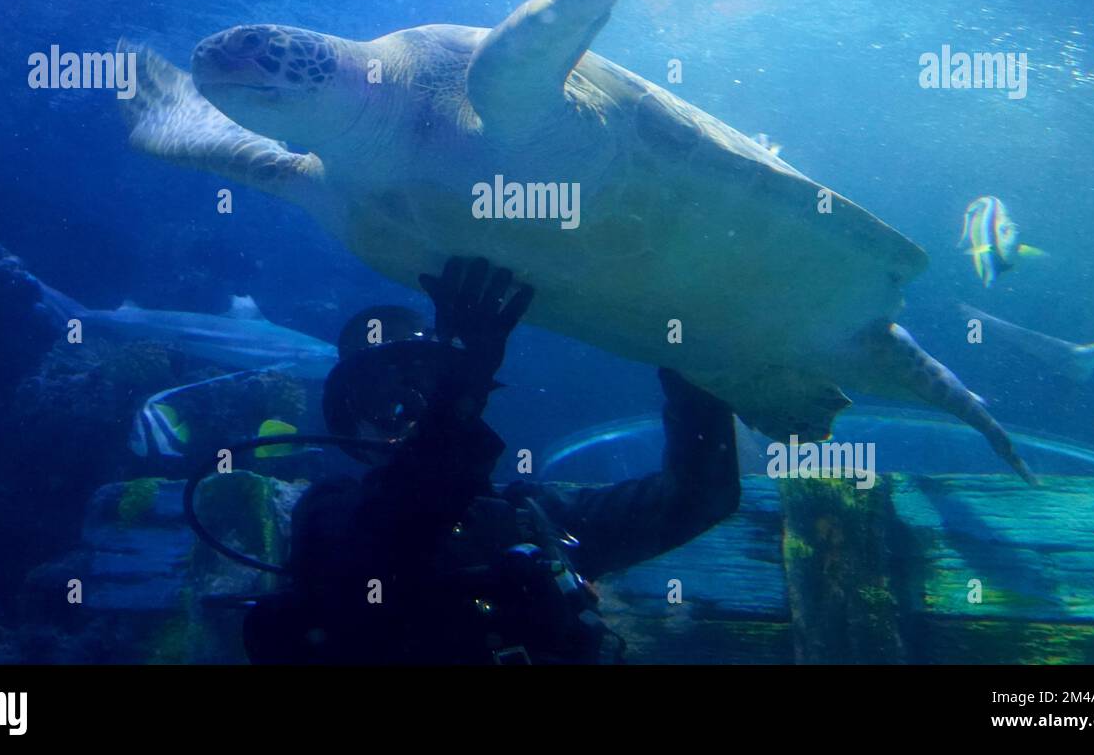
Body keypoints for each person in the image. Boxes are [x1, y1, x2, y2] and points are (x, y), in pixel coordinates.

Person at [242, 257, 740, 665]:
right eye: (381, 397)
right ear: (349, 428)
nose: (407, 409)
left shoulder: (535, 518)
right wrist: (458, 390)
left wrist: (688, 360)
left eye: (423, 388)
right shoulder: (330, 517)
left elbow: (697, 497)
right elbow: (399, 527)